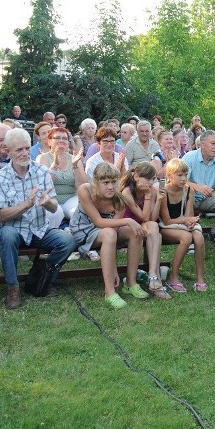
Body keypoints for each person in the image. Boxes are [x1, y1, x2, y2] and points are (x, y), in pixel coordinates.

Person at [0, 128, 76, 309]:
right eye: (19, 150)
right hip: (14, 229)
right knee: (6, 236)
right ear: (9, 151)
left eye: (26, 148)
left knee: (67, 240)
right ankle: (12, 288)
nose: (24, 153)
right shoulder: (0, 178)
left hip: (39, 228)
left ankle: (44, 278)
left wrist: (47, 203)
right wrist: (26, 205)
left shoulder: (41, 171)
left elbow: (54, 206)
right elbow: (1, 215)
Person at [69, 162, 148, 309]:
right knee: (111, 232)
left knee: (135, 232)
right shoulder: (85, 190)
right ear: (96, 182)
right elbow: (99, 222)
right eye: (105, 182)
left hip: (107, 233)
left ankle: (131, 283)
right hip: (83, 231)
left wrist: (115, 269)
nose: (111, 186)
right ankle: (109, 291)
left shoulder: (119, 199)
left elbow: (115, 229)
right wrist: (129, 220)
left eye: (113, 182)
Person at [119, 162, 171, 298]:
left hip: (143, 224)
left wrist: (158, 200)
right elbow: (144, 216)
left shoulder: (153, 190)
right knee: (156, 235)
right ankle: (156, 280)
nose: (150, 182)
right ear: (136, 176)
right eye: (147, 179)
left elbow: (152, 218)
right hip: (127, 227)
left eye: (153, 179)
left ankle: (153, 273)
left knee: (154, 227)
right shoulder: (127, 191)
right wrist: (148, 195)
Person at [159, 158, 208, 292]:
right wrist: (185, 221)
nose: (183, 178)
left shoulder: (188, 190)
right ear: (169, 175)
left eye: (186, 175)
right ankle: (173, 277)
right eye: (179, 175)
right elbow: (167, 220)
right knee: (186, 238)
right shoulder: (164, 191)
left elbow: (188, 215)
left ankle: (200, 278)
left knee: (199, 237)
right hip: (166, 226)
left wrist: (191, 221)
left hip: (182, 224)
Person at [182, 130, 215, 247]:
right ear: (202, 144)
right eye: (213, 143)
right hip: (188, 197)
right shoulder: (189, 157)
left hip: (207, 198)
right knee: (189, 192)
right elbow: (179, 181)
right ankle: (189, 234)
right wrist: (197, 187)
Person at [37, 125, 88, 228]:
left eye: (64, 138)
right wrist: (55, 165)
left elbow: (82, 186)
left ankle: (77, 237)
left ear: (68, 143)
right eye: (57, 138)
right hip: (51, 200)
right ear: (49, 141)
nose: (61, 140)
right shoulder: (42, 158)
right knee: (54, 213)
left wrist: (74, 166)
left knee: (77, 212)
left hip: (71, 199)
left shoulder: (74, 158)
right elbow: (44, 186)